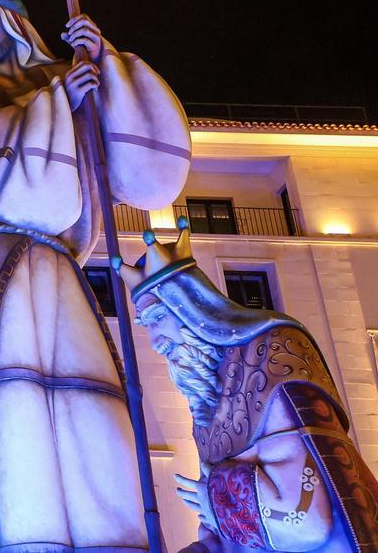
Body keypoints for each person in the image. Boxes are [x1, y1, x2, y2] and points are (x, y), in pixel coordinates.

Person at [0, 0, 192, 551]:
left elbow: (145, 175)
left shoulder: (69, 83)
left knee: (91, 401)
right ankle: (25, 537)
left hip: (61, 266)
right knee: (13, 402)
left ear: (15, 24)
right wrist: (58, 102)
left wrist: (105, 60)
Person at [115, 221, 378, 551]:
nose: (154, 341)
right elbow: (218, 534)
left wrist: (217, 497)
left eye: (156, 319)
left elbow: (307, 522)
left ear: (191, 306)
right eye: (144, 325)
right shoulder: (206, 399)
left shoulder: (271, 357)